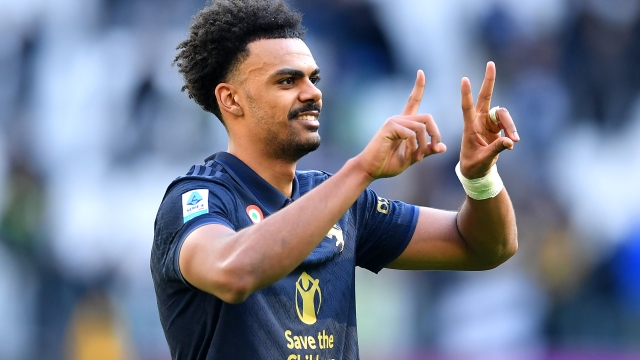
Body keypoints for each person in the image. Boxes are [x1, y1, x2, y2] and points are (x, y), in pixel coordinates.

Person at [150, 0, 520, 359]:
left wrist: (479, 178)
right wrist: (360, 171)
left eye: (314, 78)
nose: (312, 92)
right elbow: (235, 272)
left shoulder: (343, 202)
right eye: (287, 81)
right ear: (231, 99)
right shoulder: (199, 198)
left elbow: (485, 247)